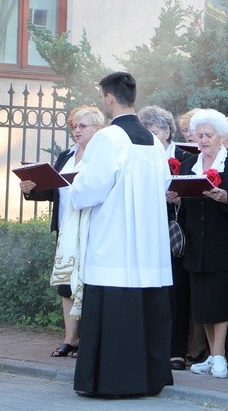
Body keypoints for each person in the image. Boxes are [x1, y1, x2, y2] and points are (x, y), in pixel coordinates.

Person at [69, 72, 174, 397]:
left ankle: (113, 381)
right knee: (146, 315)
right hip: (149, 249)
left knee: (114, 318)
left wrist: (75, 188)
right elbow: (166, 185)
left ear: (109, 98)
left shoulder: (108, 139)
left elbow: (89, 190)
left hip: (114, 248)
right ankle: (149, 380)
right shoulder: (155, 142)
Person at [175, 109, 228, 380]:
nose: (203, 140)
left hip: (225, 246)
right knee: (203, 306)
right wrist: (176, 199)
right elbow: (185, 208)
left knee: (220, 302)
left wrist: (225, 198)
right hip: (196, 246)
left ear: (222, 136)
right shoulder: (189, 165)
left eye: (209, 135)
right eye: (199, 135)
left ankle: (219, 355)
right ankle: (213, 355)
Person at [20, 105, 106, 358]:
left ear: (98, 128)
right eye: (73, 126)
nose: (76, 131)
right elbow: (55, 189)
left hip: (91, 229)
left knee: (87, 284)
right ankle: (71, 339)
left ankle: (89, 340)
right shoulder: (66, 155)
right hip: (66, 228)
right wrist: (31, 188)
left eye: (82, 126)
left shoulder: (102, 156)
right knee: (66, 285)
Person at [138, 105, 193, 372]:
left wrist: (181, 198)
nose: (150, 135)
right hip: (146, 229)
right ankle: (149, 346)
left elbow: (197, 190)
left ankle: (176, 351)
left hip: (175, 232)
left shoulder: (184, 156)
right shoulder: (139, 156)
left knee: (176, 292)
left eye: (155, 130)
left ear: (168, 131)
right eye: (145, 130)